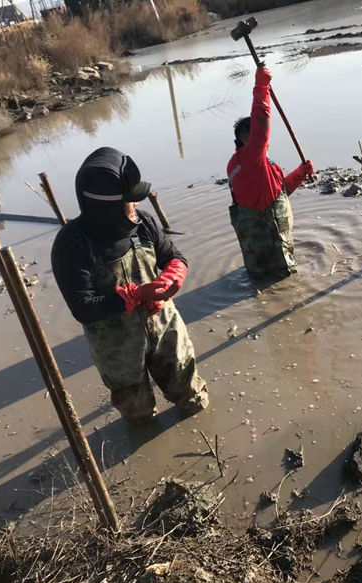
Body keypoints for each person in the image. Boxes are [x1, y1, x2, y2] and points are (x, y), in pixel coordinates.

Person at [51, 147, 208, 425]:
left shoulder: (143, 222)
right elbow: (83, 308)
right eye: (129, 201)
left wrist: (169, 279)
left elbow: (174, 257)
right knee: (137, 412)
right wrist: (138, 294)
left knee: (191, 394)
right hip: (117, 346)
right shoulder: (72, 244)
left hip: (164, 328)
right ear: (107, 208)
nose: (135, 206)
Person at [227, 64, 315, 279]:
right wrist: (261, 87)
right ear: (246, 139)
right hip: (270, 241)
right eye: (258, 137)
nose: (266, 140)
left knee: (261, 278)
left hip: (260, 247)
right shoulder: (249, 159)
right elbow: (261, 123)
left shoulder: (255, 164)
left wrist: (300, 173)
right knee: (281, 281)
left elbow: (278, 193)